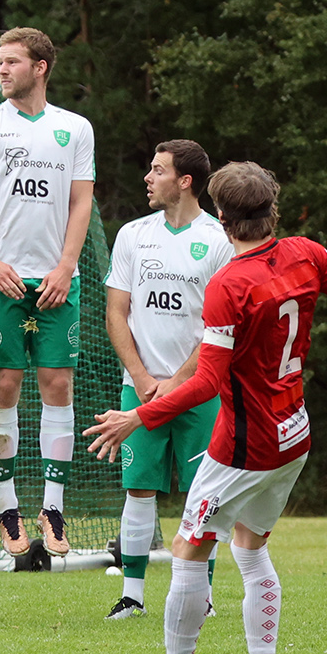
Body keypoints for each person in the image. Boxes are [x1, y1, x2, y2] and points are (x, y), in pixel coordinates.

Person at [86, 163, 327, 654]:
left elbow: (206, 382)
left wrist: (137, 417)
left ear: (221, 216)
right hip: (294, 432)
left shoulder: (229, 285)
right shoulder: (305, 252)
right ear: (271, 209)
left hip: (246, 444)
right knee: (250, 546)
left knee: (189, 547)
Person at [0, 27, 96, 557]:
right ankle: (7, 505)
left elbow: (81, 202)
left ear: (41, 67)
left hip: (59, 279)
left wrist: (65, 266)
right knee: (5, 383)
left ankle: (53, 507)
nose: (1, 70)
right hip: (0, 279)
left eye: (12, 62)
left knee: (57, 383)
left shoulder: (74, 128)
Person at [102, 140, 233, 619]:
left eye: (157, 171)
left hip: (201, 389)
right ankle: (132, 596)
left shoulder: (219, 240)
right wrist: (140, 376)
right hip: (139, 387)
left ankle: (204, 597)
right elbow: (117, 311)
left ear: (185, 181)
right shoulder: (134, 234)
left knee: (204, 492)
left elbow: (220, 329)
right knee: (138, 489)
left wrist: (178, 380)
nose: (147, 178)